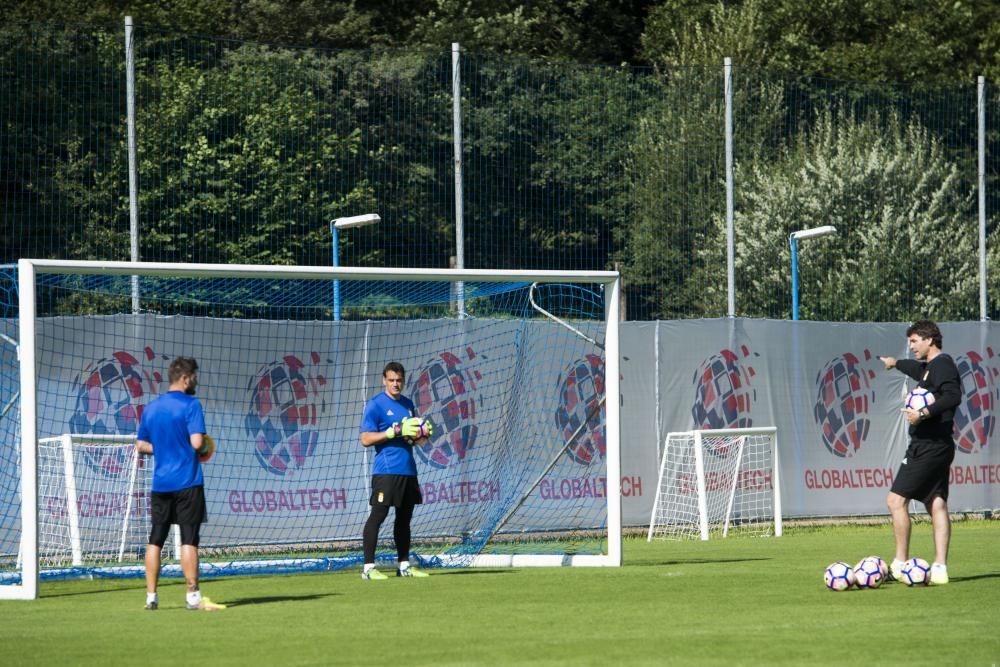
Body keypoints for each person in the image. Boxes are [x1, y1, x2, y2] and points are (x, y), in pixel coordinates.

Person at [135, 356, 225, 610]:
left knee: (156, 539)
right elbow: (198, 443)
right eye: (194, 376)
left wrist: (164, 448)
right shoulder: (191, 405)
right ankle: (193, 597)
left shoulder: (151, 408)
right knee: (189, 539)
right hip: (187, 481)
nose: (196, 381)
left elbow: (141, 445)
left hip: (161, 484)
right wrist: (203, 445)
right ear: (185, 379)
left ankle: (151, 597)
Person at [878, 320, 962, 585]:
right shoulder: (929, 368)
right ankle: (939, 568)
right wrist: (894, 362)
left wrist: (923, 412)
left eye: (914, 341)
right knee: (935, 502)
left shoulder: (943, 363)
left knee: (895, 501)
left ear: (929, 339)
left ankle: (900, 564)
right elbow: (915, 369)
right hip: (937, 445)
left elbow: (952, 395)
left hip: (928, 447)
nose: (911, 346)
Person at [359, 361, 432, 579]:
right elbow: (365, 439)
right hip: (386, 471)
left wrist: (422, 436)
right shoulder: (375, 405)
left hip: (408, 470)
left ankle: (404, 566)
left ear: (403, 380)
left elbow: (412, 440)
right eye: (391, 380)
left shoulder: (408, 404)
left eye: (399, 380)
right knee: (378, 515)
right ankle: (368, 569)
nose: (395, 384)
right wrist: (392, 432)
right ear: (384, 380)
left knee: (404, 519)